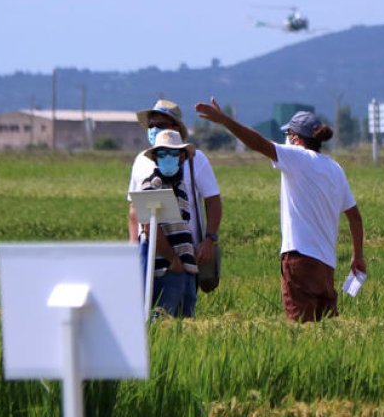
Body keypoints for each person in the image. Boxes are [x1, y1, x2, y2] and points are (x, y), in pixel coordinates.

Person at [195, 98, 365, 322]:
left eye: (288, 135)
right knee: (326, 332)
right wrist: (357, 256)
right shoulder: (335, 168)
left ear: (295, 138)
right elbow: (354, 217)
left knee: (300, 331)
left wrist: (225, 120)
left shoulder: (296, 157)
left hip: (299, 260)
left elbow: (258, 143)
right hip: (326, 267)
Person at [127, 99, 222, 316]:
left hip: (189, 251)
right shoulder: (142, 165)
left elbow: (213, 201)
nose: (153, 129)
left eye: (159, 124)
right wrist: (133, 247)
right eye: (151, 125)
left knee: (184, 312)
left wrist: (209, 239)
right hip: (155, 253)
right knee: (159, 312)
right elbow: (136, 210)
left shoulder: (196, 161)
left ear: (176, 127)